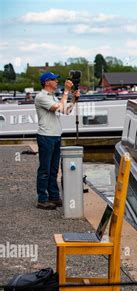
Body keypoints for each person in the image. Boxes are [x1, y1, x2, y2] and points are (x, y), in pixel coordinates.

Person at [35, 72, 80, 209]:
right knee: (45, 169)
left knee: (54, 169)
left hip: (55, 135)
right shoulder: (41, 97)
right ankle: (42, 199)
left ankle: (54, 196)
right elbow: (58, 107)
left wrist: (73, 100)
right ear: (47, 82)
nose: (56, 82)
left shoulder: (52, 96)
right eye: (54, 80)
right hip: (46, 136)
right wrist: (66, 91)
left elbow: (66, 111)